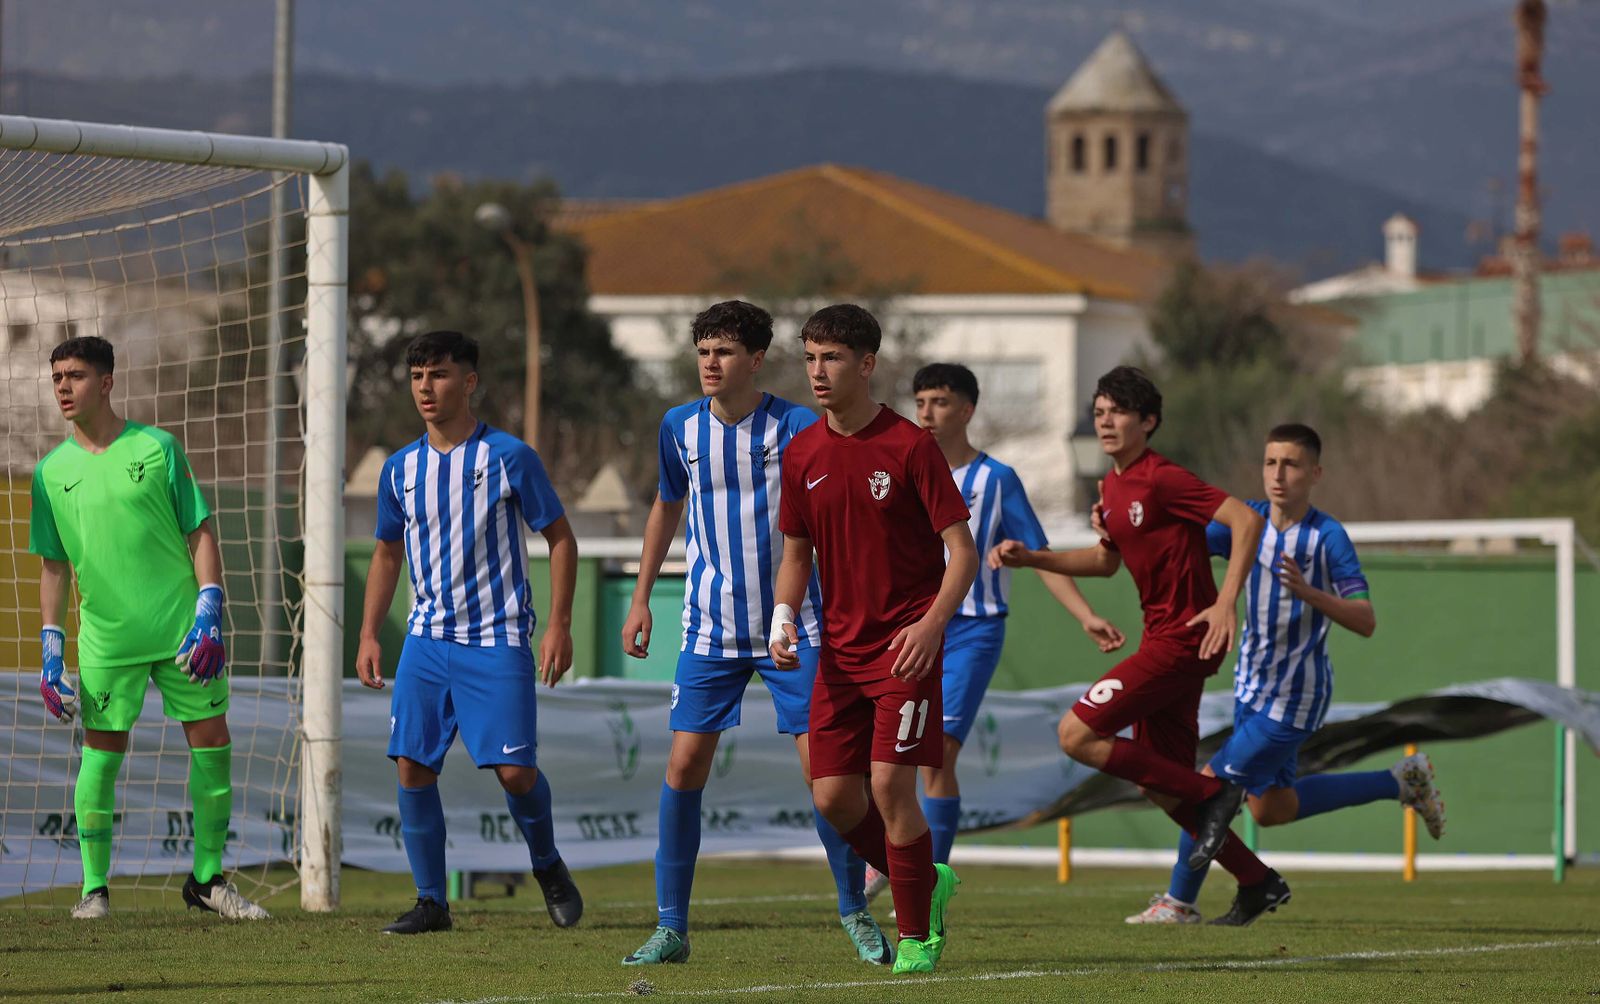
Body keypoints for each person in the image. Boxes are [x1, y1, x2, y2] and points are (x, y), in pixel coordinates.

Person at [618, 300, 885, 967]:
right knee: (683, 766)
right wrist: (641, 598)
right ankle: (671, 929)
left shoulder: (797, 426)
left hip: (795, 626)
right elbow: (666, 508)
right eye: (703, 351)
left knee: (824, 775)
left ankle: (855, 909)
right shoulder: (679, 426)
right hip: (710, 626)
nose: (711, 363)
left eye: (725, 351)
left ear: (757, 359)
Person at [1126, 423, 1446, 926]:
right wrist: (1122, 525)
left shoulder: (1327, 537)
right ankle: (1401, 782)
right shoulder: (1245, 521)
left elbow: (1365, 619)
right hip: (1250, 689)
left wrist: (1309, 592)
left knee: (1206, 789)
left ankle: (1178, 903)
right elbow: (1179, 538)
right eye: (1270, 462)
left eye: (1291, 464)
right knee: (1271, 809)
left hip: (1295, 699)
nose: (1278, 474)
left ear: (1315, 474)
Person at [995, 366, 1281, 910]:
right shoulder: (1111, 487)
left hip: (1187, 638)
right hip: (1163, 640)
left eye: (1119, 412)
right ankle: (1256, 881)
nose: (1106, 422)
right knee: (1158, 784)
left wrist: (1226, 601)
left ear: (1148, 422)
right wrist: (1033, 558)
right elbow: (1105, 563)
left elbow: (1246, 521)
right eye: (1099, 413)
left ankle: (1214, 792)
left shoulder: (1162, 477)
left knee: (1076, 733)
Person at [30, 335, 268, 921]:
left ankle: (208, 881)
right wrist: (51, 651)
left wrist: (209, 609)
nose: (63, 387)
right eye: (57, 377)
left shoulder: (158, 448)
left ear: (106, 382)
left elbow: (200, 531)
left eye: (76, 375)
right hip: (107, 640)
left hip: (183, 633)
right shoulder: (50, 472)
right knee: (100, 756)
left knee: (212, 745)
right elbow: (53, 567)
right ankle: (94, 891)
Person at [771, 304, 977, 975]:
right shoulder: (802, 452)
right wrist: (782, 615)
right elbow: (796, 553)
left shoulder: (909, 446)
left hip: (904, 651)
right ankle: (925, 877)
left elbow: (963, 552)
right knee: (832, 796)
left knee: (890, 786)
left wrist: (932, 624)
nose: (817, 371)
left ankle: (917, 938)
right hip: (839, 652)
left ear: (866, 364)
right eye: (810, 358)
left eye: (831, 358)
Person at [356, 330, 582, 935]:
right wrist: (370, 633)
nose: (426, 388)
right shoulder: (400, 469)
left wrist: (558, 624)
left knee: (515, 773)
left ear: (469, 381)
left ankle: (547, 863)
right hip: (426, 641)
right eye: (417, 376)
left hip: (497, 639)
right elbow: (386, 552)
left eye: (439, 374)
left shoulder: (509, 456)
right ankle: (432, 902)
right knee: (411, 765)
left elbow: (561, 539)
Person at [877, 363, 1124, 876]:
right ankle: (893, 857)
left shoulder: (996, 480)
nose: (927, 413)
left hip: (973, 629)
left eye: (940, 402)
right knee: (893, 755)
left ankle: (928, 879)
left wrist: (1085, 615)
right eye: (920, 402)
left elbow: (1041, 556)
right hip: (910, 629)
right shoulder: (901, 470)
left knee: (937, 754)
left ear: (966, 410)